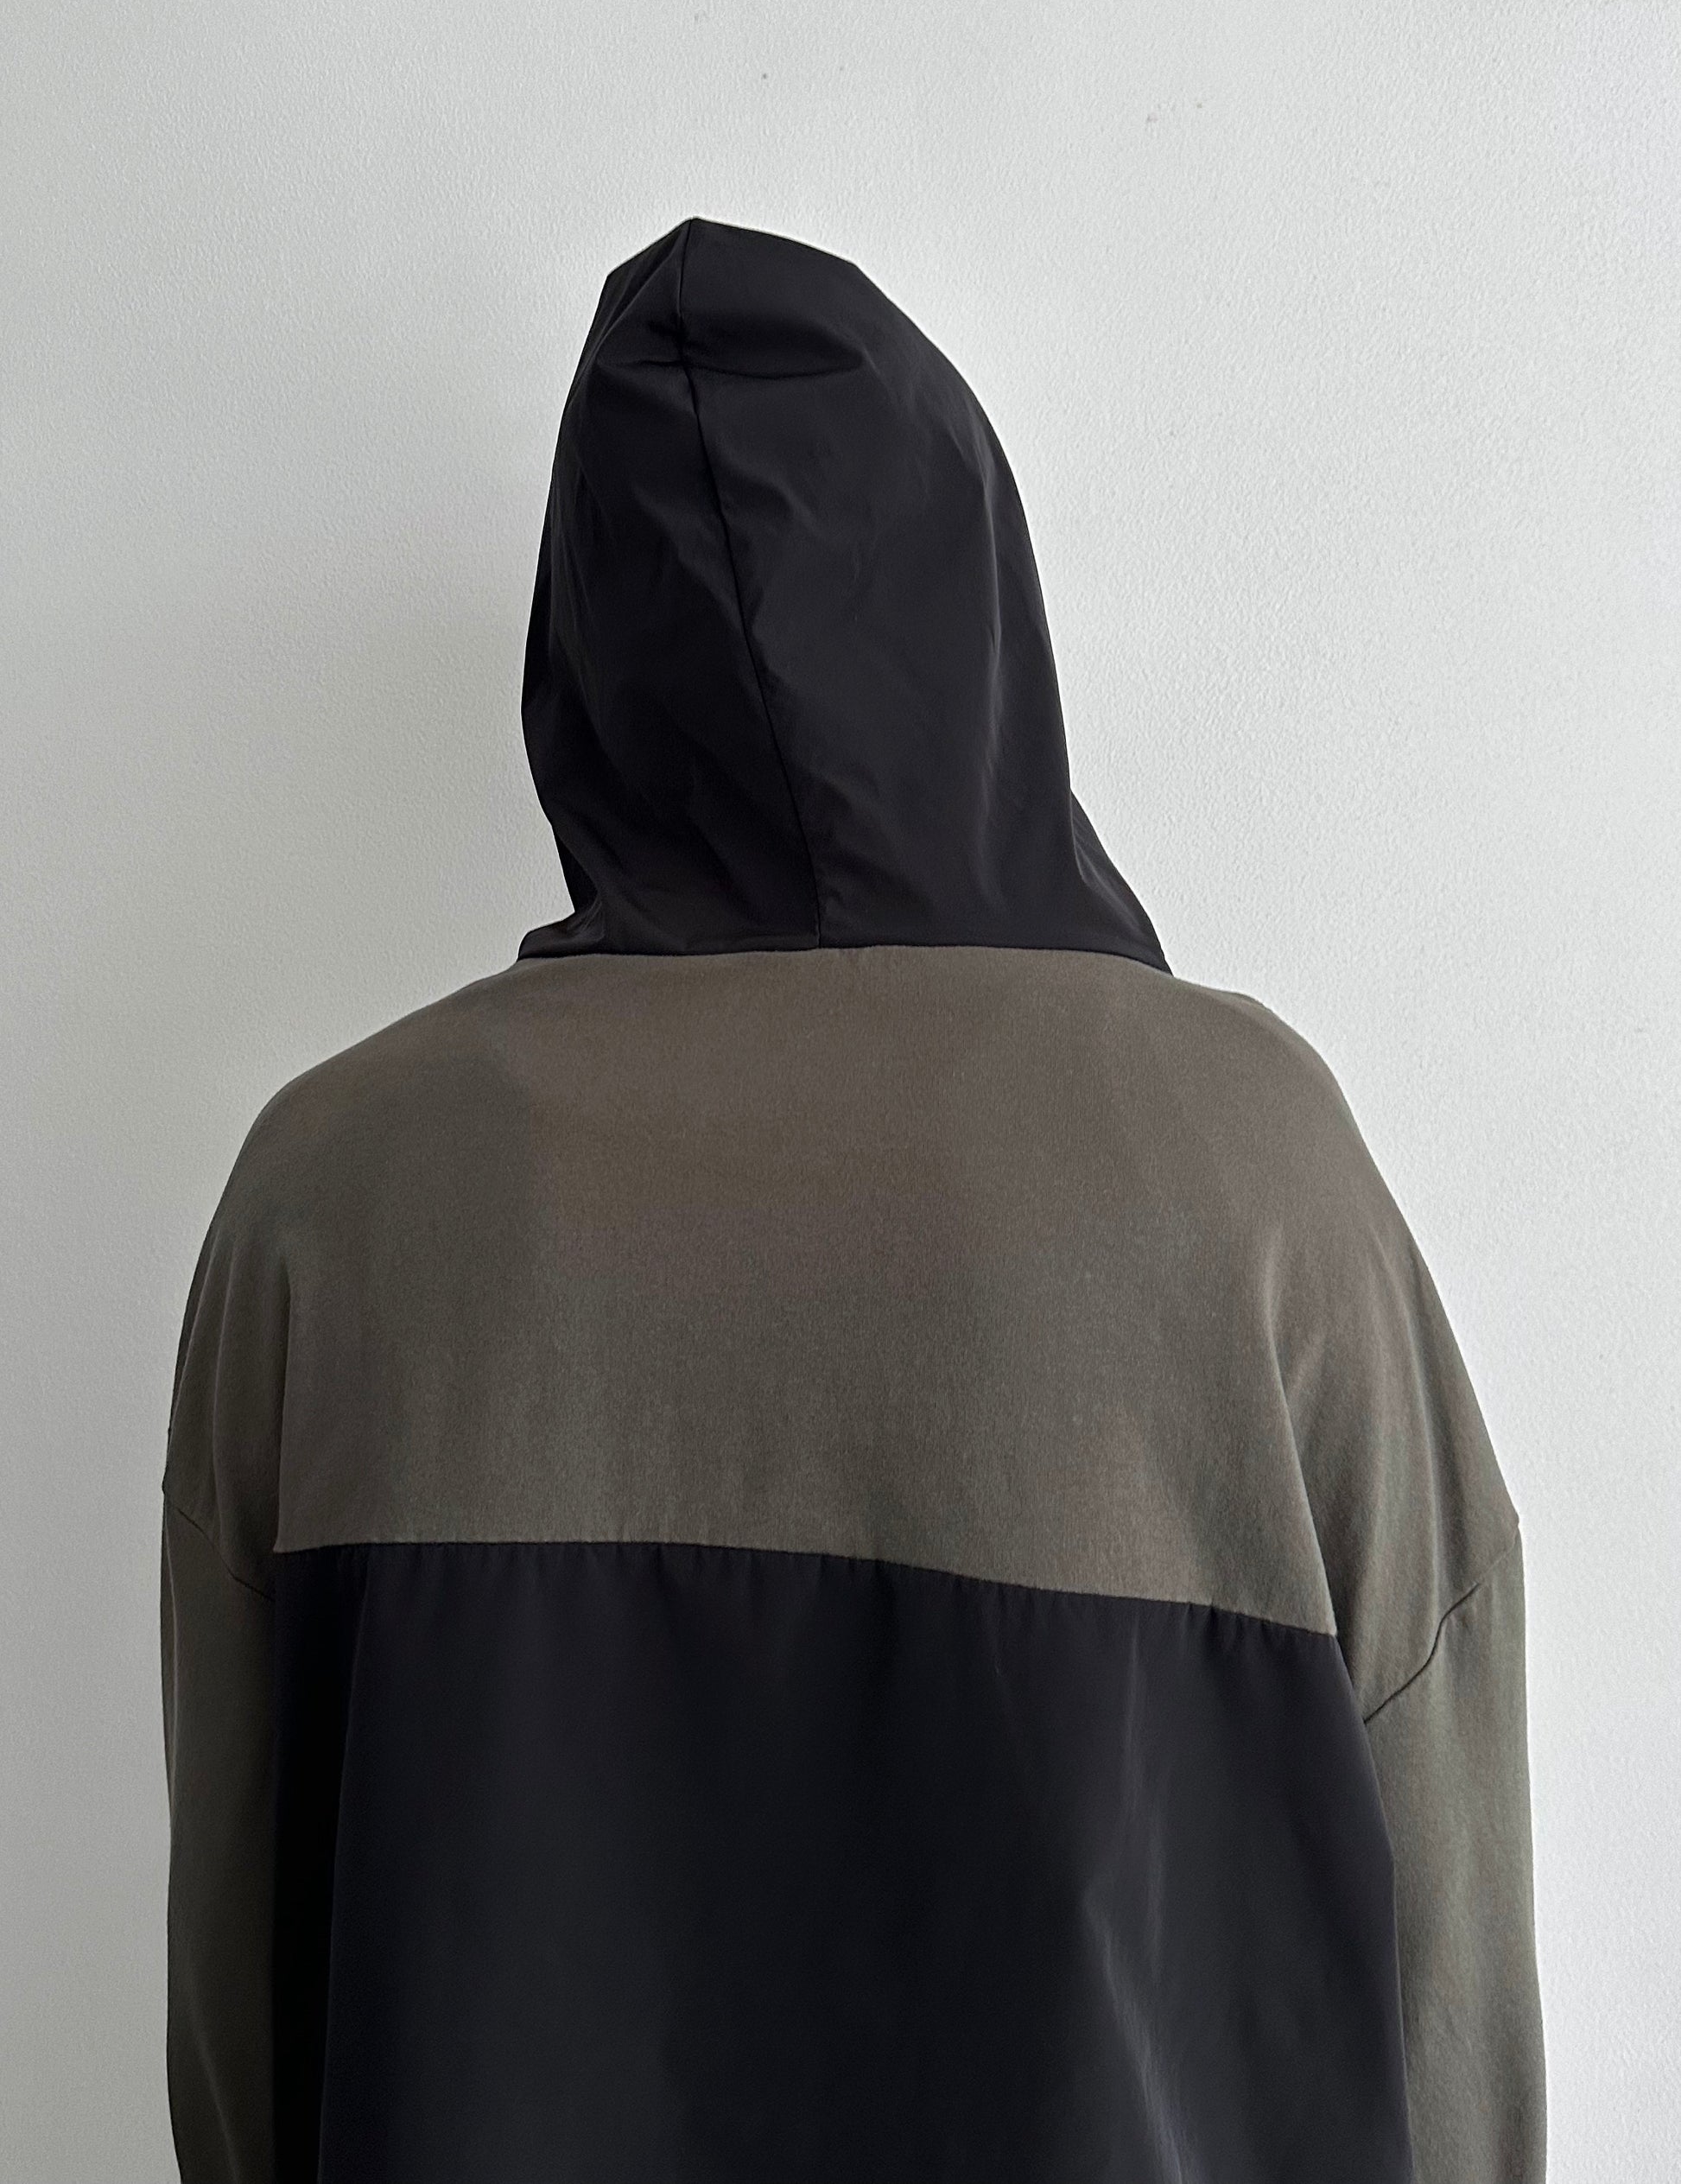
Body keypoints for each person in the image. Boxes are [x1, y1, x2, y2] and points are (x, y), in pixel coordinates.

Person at [160, 215, 1545, 2182]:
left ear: (587, 649)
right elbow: (1443, 1955)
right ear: (973, 602)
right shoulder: (1253, 1166)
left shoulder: (329, 1189)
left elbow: (241, 1980)